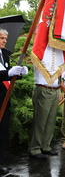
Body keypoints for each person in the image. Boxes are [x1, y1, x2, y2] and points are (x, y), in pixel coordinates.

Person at [0, 29, 29, 174]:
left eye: (5, 38)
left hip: (4, 99)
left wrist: (19, 73)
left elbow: (8, 75)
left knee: (2, 132)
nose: (5, 41)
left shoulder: (4, 54)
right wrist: (8, 73)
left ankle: (0, 162)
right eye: (2, 38)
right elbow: (5, 74)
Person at [28, 68, 61, 160]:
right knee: (40, 121)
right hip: (44, 89)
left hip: (55, 90)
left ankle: (45, 146)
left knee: (51, 120)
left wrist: (59, 89)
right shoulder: (42, 54)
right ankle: (34, 149)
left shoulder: (57, 57)